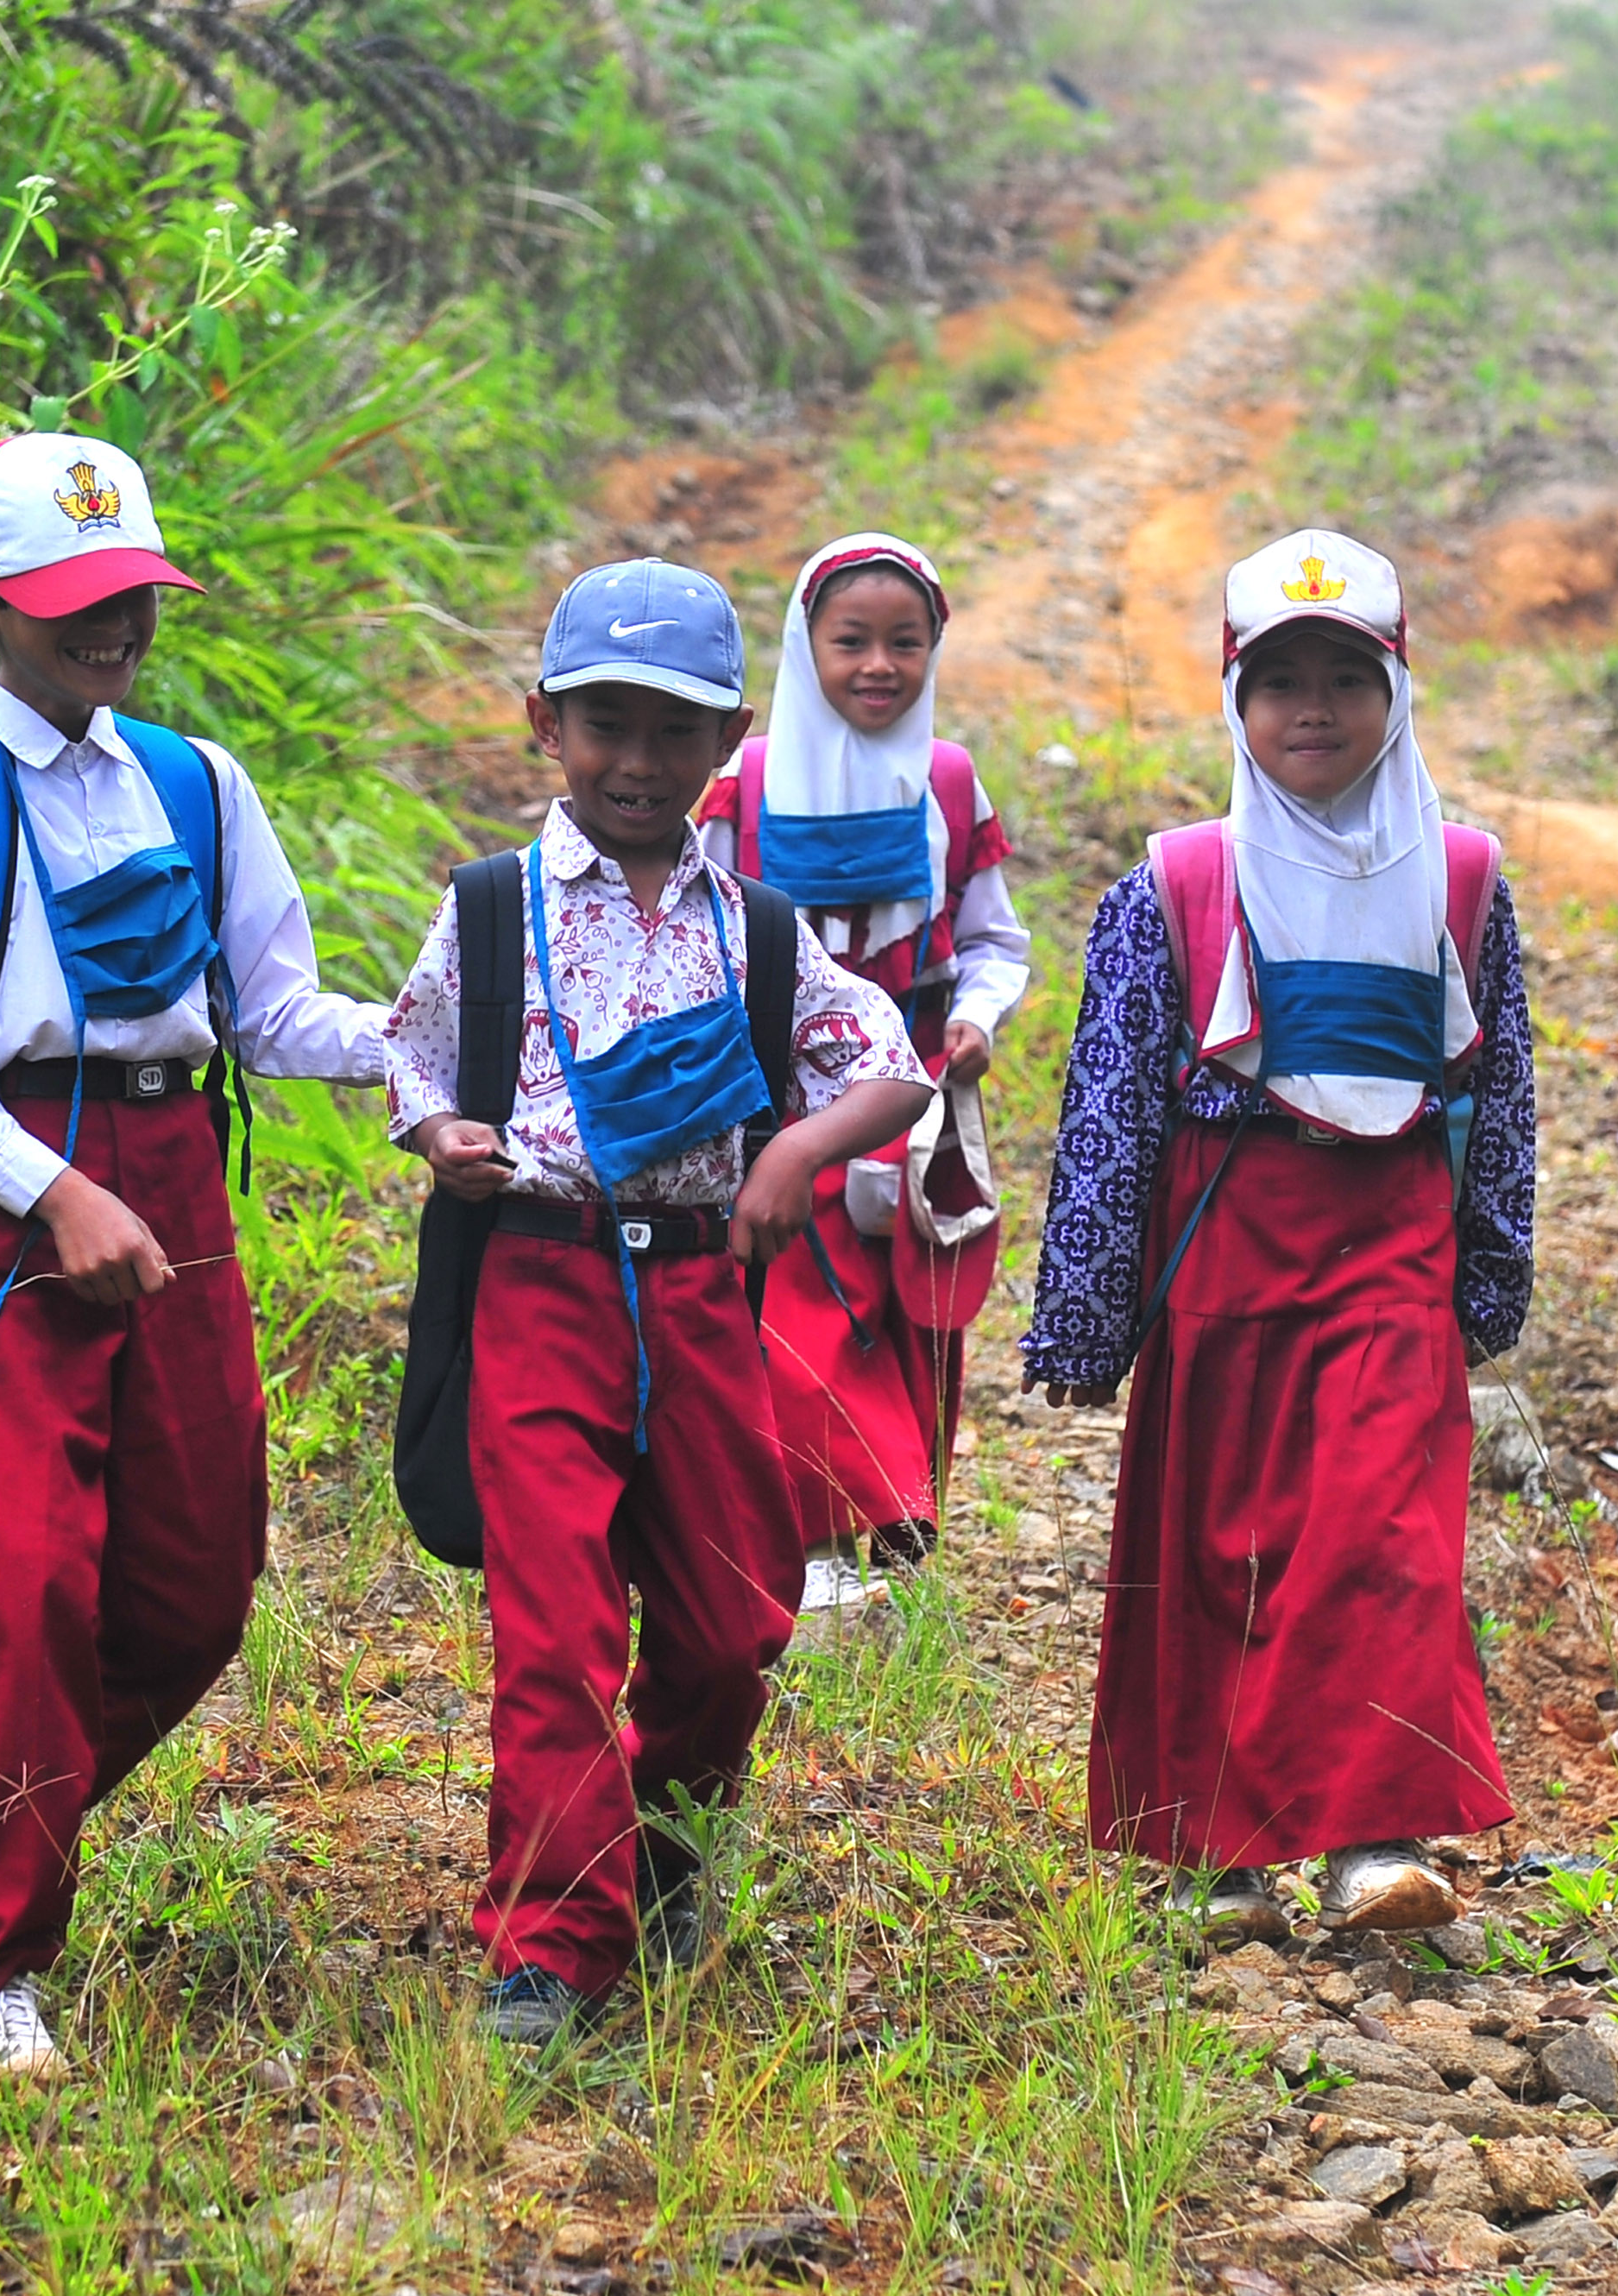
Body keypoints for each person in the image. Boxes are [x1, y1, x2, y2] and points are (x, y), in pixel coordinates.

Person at [0, 433, 387, 2074]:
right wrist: (52, 1192)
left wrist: (442, 1064)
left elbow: (275, 1012)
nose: (115, 631)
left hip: (177, 1181)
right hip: (2, 1200)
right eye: (74, 604)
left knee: (195, 1588)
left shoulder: (201, 784)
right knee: (28, 1579)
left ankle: (3, 1782)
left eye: (134, 597)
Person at [382, 560, 933, 2040]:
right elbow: (416, 1060)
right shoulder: (491, 912)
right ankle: (549, 1949)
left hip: (693, 1294)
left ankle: (664, 1841)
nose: (638, 763)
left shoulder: (754, 928)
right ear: (544, 725)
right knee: (554, 1623)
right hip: (539, 1287)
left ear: (731, 740)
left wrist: (800, 1159)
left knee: (732, 1618)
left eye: (674, 732)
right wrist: (446, 1136)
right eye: (606, 725)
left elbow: (884, 1058)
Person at [1020, 528, 1535, 1940]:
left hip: (1389, 1253)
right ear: (1237, 703)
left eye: (1347, 679)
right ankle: (1216, 1855)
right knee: (1218, 1546)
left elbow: (1500, 1099)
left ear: (1399, 695)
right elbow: (1110, 1107)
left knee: (1387, 1539)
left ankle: (1371, 1835)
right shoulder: (1176, 885)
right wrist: (1086, 1305)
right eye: (1282, 680)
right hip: (1225, 1258)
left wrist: (1491, 1270)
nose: (1315, 709)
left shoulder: (1462, 882)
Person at [696, 534, 1030, 1604]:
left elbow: (991, 940)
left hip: (909, 1103)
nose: (878, 665)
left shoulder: (946, 782)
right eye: (851, 642)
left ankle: (887, 1514)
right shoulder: (742, 784)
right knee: (797, 1304)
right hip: (776, 1104)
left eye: (905, 641)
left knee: (905, 1303)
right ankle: (827, 1524)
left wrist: (974, 1016)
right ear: (805, 645)